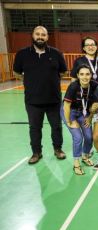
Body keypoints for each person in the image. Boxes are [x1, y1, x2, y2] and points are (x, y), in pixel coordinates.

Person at [13, 26, 67, 164]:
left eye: (43, 35)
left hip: (53, 100)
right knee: (35, 128)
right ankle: (36, 152)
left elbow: (63, 72)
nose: (40, 37)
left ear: (47, 37)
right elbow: (17, 73)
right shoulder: (22, 54)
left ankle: (58, 149)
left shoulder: (56, 53)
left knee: (56, 127)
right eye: (37, 34)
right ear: (33, 35)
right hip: (32, 101)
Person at [61, 64, 98, 175]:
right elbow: (66, 106)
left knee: (89, 136)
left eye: (87, 74)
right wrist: (69, 122)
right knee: (78, 137)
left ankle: (85, 156)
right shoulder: (73, 86)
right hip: (70, 112)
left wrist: (90, 117)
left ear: (91, 75)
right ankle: (76, 163)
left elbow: (95, 105)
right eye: (82, 74)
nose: (85, 77)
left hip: (84, 112)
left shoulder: (95, 86)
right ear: (77, 75)